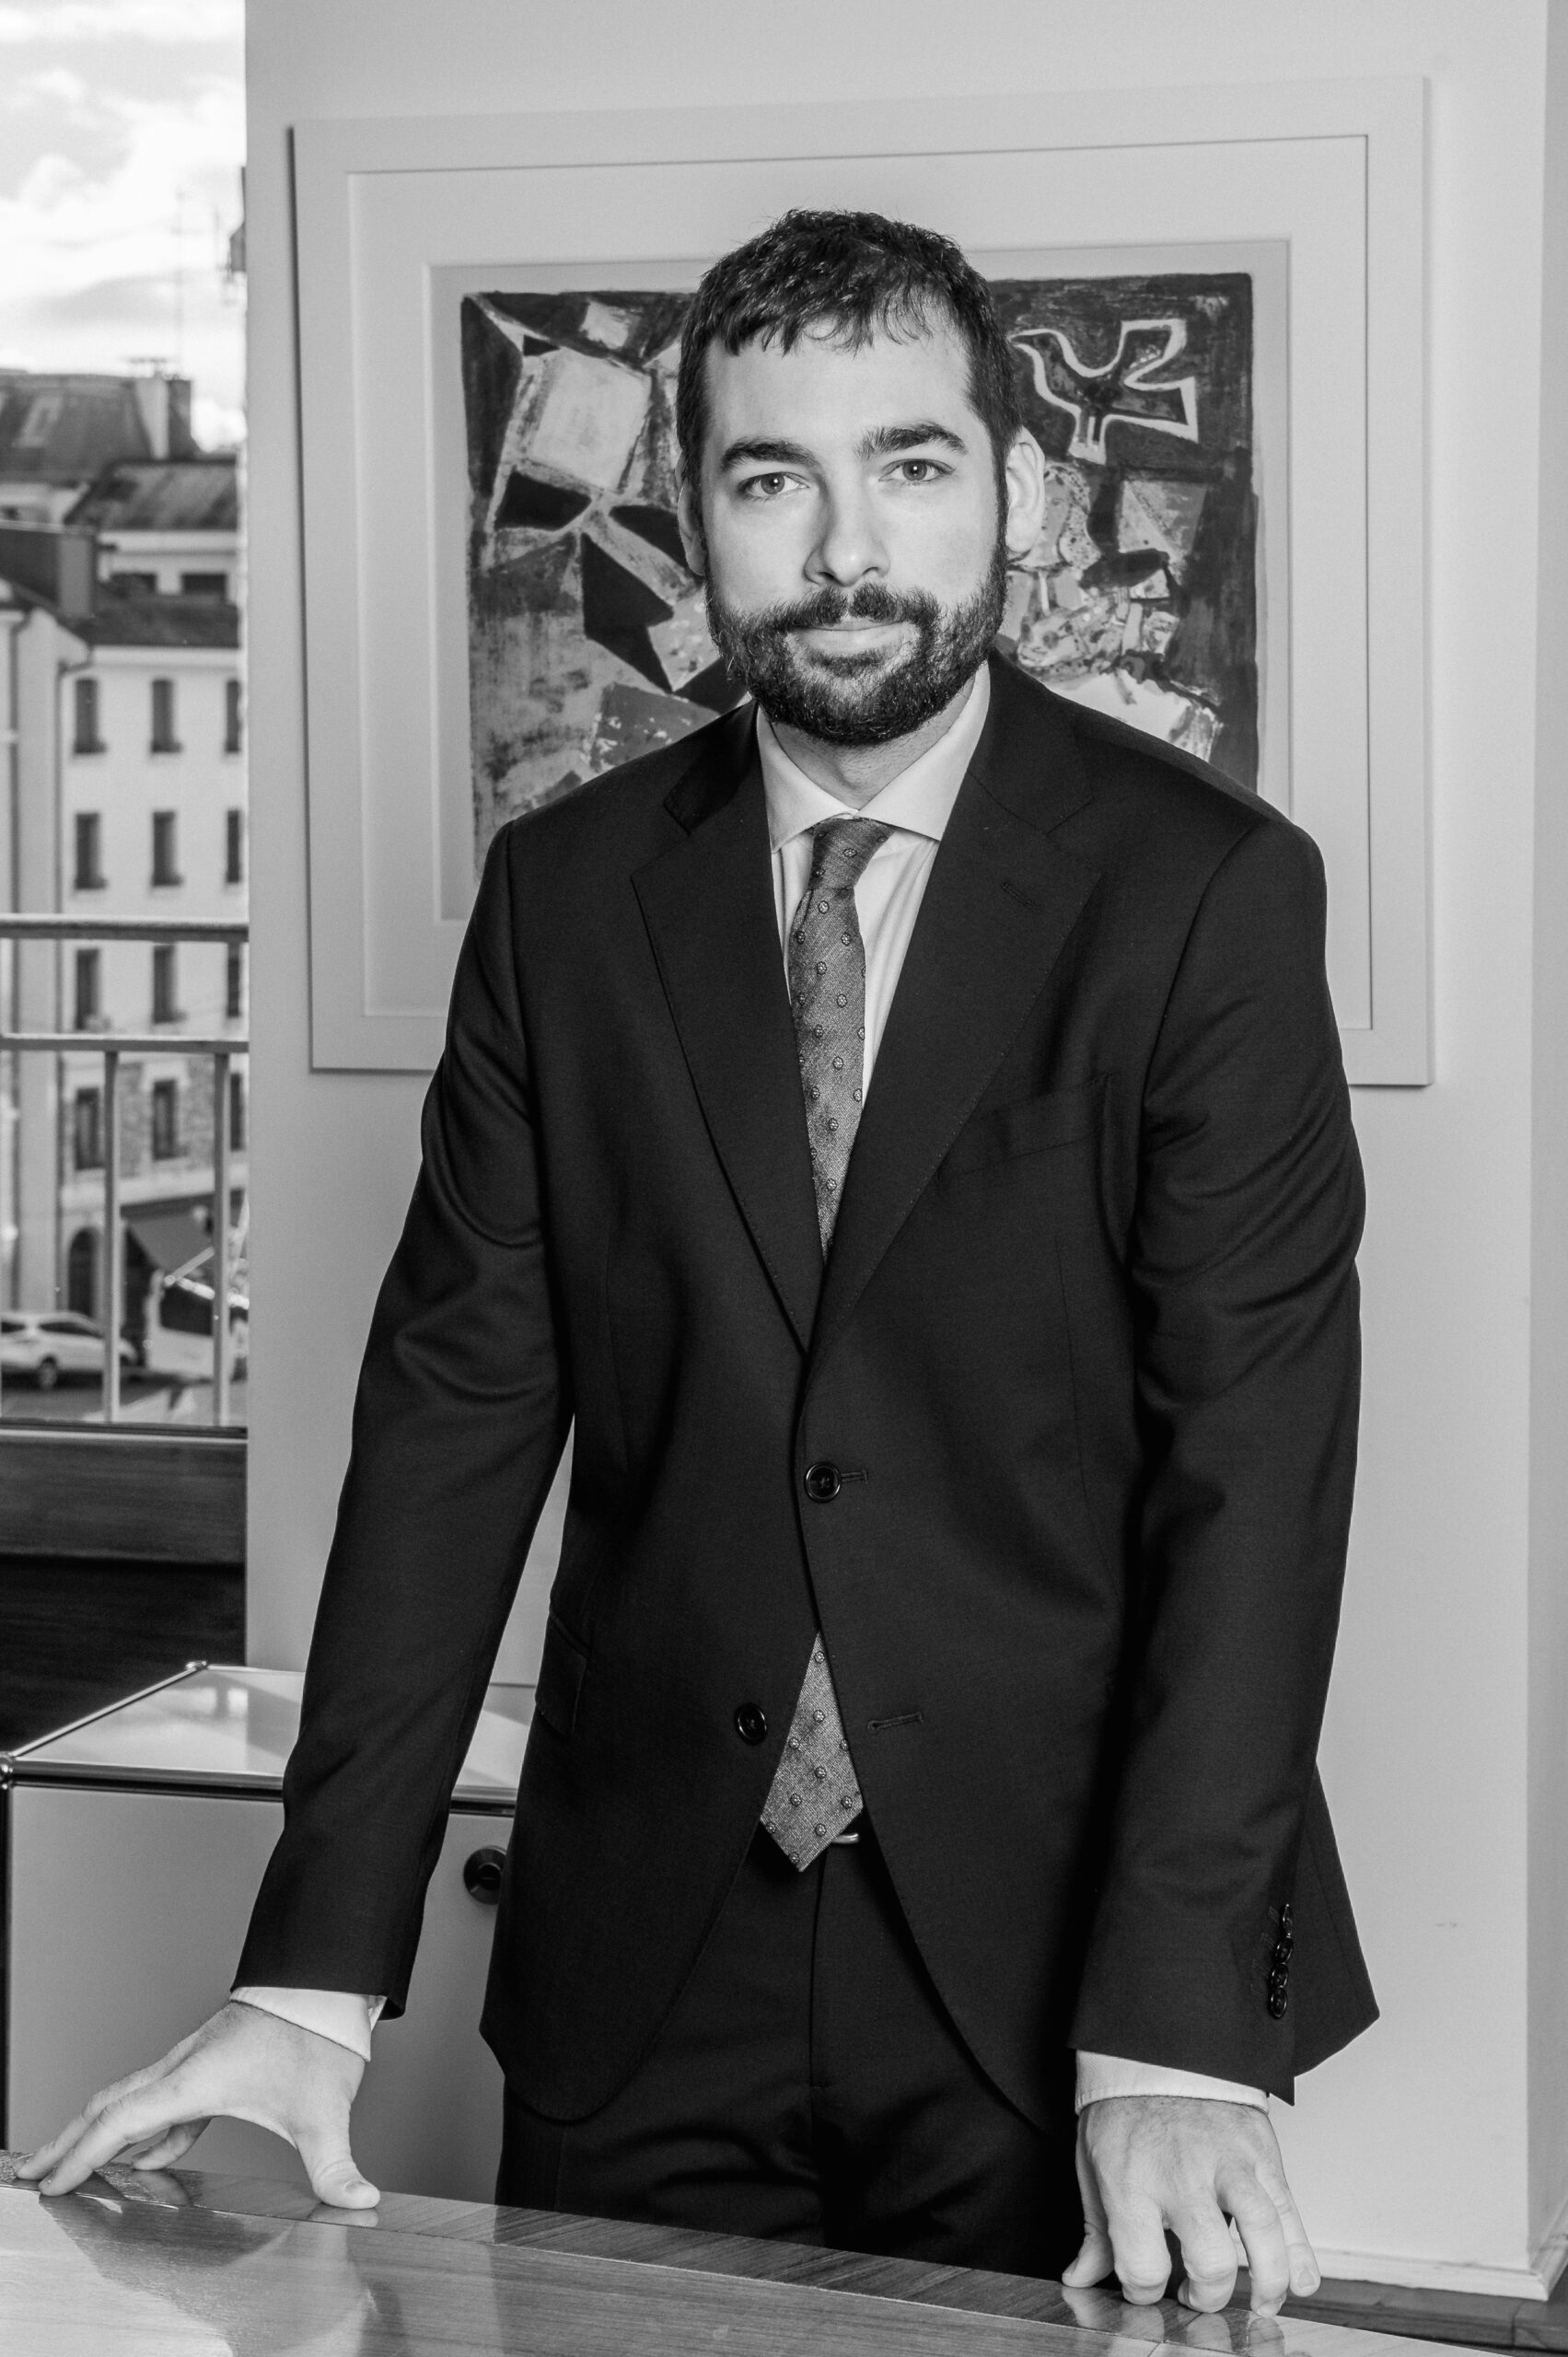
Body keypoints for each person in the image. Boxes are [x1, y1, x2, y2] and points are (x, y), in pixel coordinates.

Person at [22, 210, 1376, 2309]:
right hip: (641, 1945)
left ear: (1015, 492)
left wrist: (1179, 2027)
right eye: (771, 479)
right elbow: (451, 1432)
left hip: (1062, 1957)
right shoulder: (563, 902)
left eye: (910, 463)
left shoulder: (1209, 897)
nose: (847, 548)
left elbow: (1255, 1476)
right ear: (691, 513)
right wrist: (310, 1973)